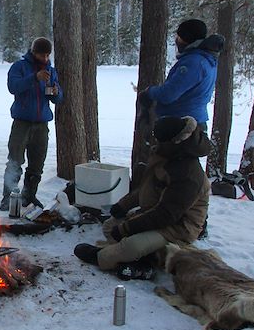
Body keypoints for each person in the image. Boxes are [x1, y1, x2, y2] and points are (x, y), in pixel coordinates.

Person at [73, 115, 211, 280]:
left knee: (131, 244)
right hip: (154, 213)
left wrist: (127, 228)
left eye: (160, 141)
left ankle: (102, 257)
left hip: (178, 227)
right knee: (110, 227)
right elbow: (147, 189)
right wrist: (123, 205)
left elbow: (167, 214)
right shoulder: (167, 156)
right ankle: (143, 260)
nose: (156, 144)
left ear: (174, 141)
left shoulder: (188, 173)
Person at [0, 37, 63, 211]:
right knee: (15, 161)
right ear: (34, 52)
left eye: (48, 55)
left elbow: (56, 98)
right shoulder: (19, 67)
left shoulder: (50, 70)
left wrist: (55, 91)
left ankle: (29, 195)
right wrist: (34, 78)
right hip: (22, 123)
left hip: (41, 124)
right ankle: (8, 198)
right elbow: (14, 86)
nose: (45, 58)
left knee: (37, 164)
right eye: (42, 55)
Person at [138, 19, 224, 131]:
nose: (177, 40)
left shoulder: (193, 63)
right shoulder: (205, 59)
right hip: (192, 121)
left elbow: (169, 94)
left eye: (179, 36)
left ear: (187, 39)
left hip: (183, 126)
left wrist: (150, 92)